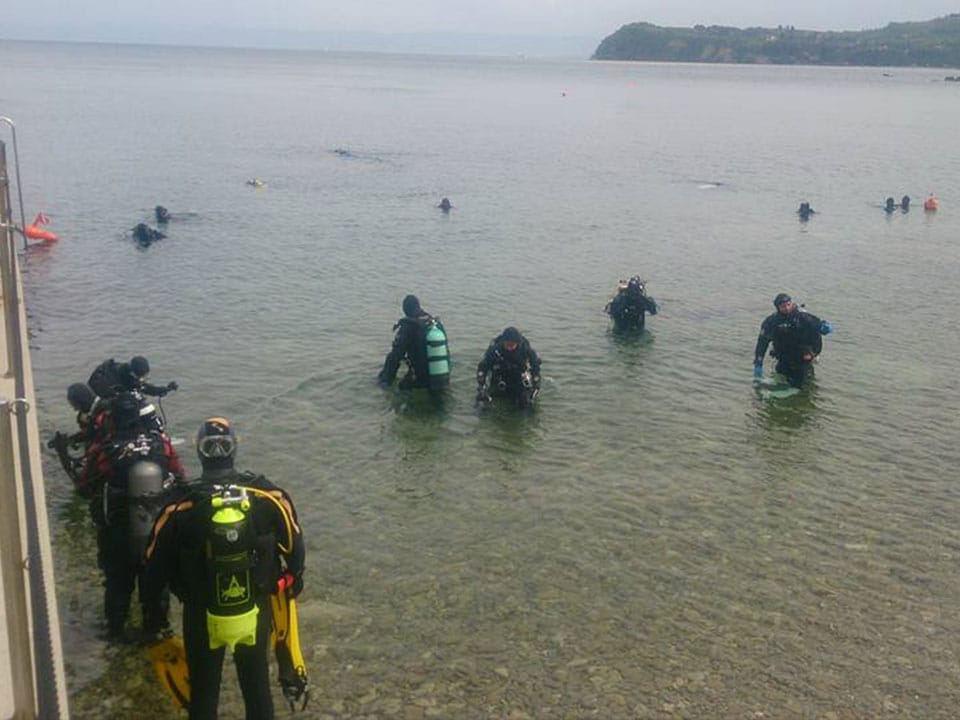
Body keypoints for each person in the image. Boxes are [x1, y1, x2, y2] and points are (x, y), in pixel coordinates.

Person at [141, 418, 306, 720]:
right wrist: (291, 582)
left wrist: (155, 622)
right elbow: (294, 547)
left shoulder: (180, 505)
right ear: (235, 449)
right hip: (253, 609)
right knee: (257, 691)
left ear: (200, 452)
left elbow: (153, 570)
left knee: (204, 696)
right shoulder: (267, 496)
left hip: (202, 612)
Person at [78, 390, 185, 640]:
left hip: (116, 532)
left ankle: (115, 632)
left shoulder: (105, 449)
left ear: (113, 419)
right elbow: (180, 479)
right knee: (156, 582)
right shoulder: (161, 445)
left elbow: (84, 486)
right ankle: (156, 629)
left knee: (117, 584)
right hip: (155, 532)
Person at [753, 293, 832, 388]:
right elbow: (762, 342)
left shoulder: (803, 317)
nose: (786, 308)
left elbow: (819, 326)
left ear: (792, 304)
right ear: (777, 307)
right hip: (783, 357)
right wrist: (758, 363)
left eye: (788, 304)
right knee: (781, 379)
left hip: (803, 357)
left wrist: (825, 328)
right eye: (783, 306)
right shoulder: (771, 322)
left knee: (801, 385)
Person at [377, 295, 450, 392]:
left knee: (401, 389)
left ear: (405, 311)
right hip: (442, 376)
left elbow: (395, 357)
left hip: (422, 380)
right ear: (418, 306)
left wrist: (384, 381)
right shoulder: (434, 324)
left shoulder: (409, 326)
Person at [476, 327, 542, 408]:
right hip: (499, 380)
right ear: (503, 342)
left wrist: (535, 386)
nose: (509, 347)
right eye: (507, 344)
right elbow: (483, 367)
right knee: (482, 403)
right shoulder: (495, 350)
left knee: (528, 406)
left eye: (512, 345)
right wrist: (482, 386)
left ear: (517, 343)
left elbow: (535, 367)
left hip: (518, 381)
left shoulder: (525, 349)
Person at [87, 355, 178, 400]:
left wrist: (166, 389)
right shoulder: (113, 380)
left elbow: (147, 388)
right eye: (142, 376)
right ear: (134, 374)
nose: (143, 379)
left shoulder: (126, 373)